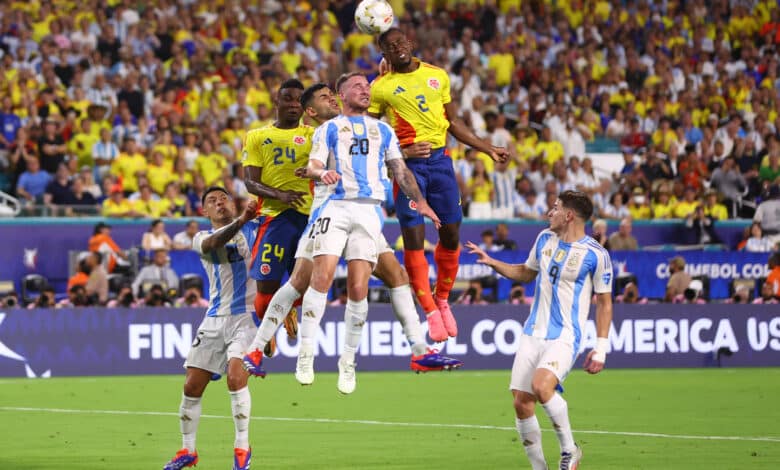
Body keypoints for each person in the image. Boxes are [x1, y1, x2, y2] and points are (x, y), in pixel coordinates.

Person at [242, 82, 461, 385]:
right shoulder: (314, 134)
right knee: (305, 280)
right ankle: (267, 351)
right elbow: (300, 155)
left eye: (332, 95)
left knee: (394, 276)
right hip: (327, 212)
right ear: (311, 112)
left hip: (365, 213)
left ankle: (415, 350)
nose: (330, 100)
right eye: (324, 98)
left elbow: (368, 126)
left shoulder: (369, 128)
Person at [290, 72, 440, 395]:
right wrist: (322, 171)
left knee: (359, 286)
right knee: (323, 275)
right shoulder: (329, 128)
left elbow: (399, 169)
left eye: (367, 86)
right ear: (341, 95)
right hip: (337, 206)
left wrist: (422, 202)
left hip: (370, 211)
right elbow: (314, 165)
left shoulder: (383, 130)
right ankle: (305, 354)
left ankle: (348, 362)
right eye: (357, 86)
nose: (365, 90)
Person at [370, 27, 508, 342]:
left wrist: (487, 148)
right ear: (385, 54)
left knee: (451, 234)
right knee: (414, 237)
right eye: (390, 46)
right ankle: (430, 311)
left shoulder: (438, 76)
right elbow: (369, 132)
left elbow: (454, 123)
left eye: (401, 42)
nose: (398, 48)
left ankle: (443, 299)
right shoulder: (380, 87)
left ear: (411, 43)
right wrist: (401, 152)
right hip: (407, 169)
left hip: (441, 164)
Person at [466, 190, 613, 470]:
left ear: (569, 215)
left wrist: (601, 348)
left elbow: (605, 303)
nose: (550, 213)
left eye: (555, 208)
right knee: (522, 403)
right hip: (532, 332)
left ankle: (570, 451)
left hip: (565, 336)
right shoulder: (544, 238)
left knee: (541, 385)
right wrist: (493, 262)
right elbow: (525, 272)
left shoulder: (596, 255)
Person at [163, 188, 260, 470]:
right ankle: (188, 450)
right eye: (212, 201)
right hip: (214, 319)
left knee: (234, 377)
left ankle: (242, 447)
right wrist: (241, 220)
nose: (219, 202)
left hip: (247, 318)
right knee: (191, 386)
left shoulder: (255, 230)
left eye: (224, 198)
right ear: (205, 212)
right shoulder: (201, 238)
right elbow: (214, 244)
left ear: (233, 202)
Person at [241, 79, 313, 354]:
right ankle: (268, 325)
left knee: (308, 285)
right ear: (277, 102)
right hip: (274, 216)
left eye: (299, 100)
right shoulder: (257, 136)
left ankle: (287, 310)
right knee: (266, 285)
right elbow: (250, 183)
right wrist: (280, 194)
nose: (294, 104)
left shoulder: (314, 134)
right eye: (288, 99)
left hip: (309, 218)